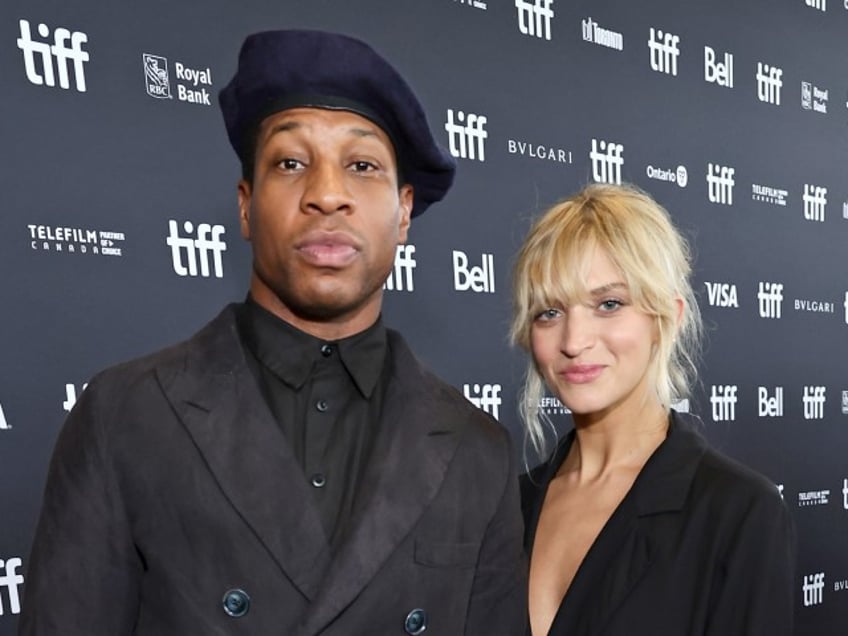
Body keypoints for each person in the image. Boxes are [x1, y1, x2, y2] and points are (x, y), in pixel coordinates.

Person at [20, 29, 526, 635]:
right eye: (291, 163)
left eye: (362, 165)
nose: (327, 195)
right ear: (244, 205)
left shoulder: (479, 452)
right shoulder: (122, 417)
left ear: (404, 212)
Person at [511, 183, 795, 636]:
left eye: (609, 304)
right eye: (550, 312)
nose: (573, 341)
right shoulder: (509, 504)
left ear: (668, 318)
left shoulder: (737, 512)